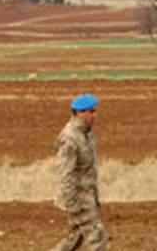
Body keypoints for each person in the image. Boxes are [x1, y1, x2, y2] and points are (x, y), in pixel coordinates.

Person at [50, 93, 108, 251]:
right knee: (97, 236)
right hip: (78, 199)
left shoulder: (87, 134)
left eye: (95, 111)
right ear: (79, 113)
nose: (94, 115)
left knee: (75, 238)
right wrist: (72, 204)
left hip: (88, 196)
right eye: (91, 112)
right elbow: (65, 174)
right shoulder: (70, 138)